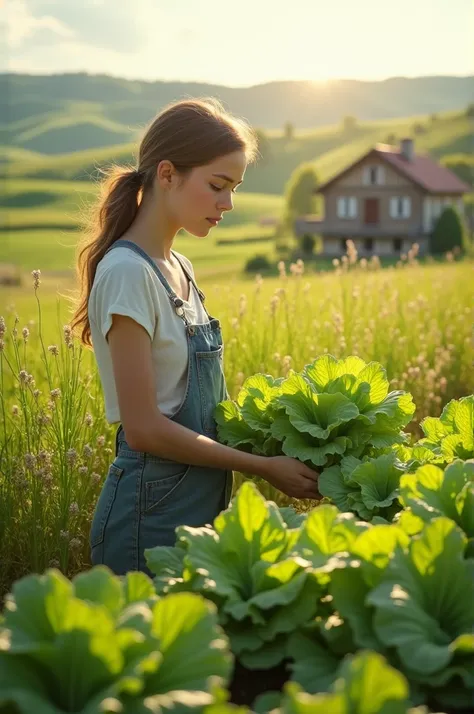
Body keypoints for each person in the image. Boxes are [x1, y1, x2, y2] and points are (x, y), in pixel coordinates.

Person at [70, 97, 320, 576]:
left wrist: (285, 446)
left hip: (199, 504)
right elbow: (143, 429)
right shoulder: (127, 273)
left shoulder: (179, 266)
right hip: (149, 515)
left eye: (234, 189)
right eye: (217, 186)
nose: (228, 204)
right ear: (167, 174)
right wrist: (263, 468)